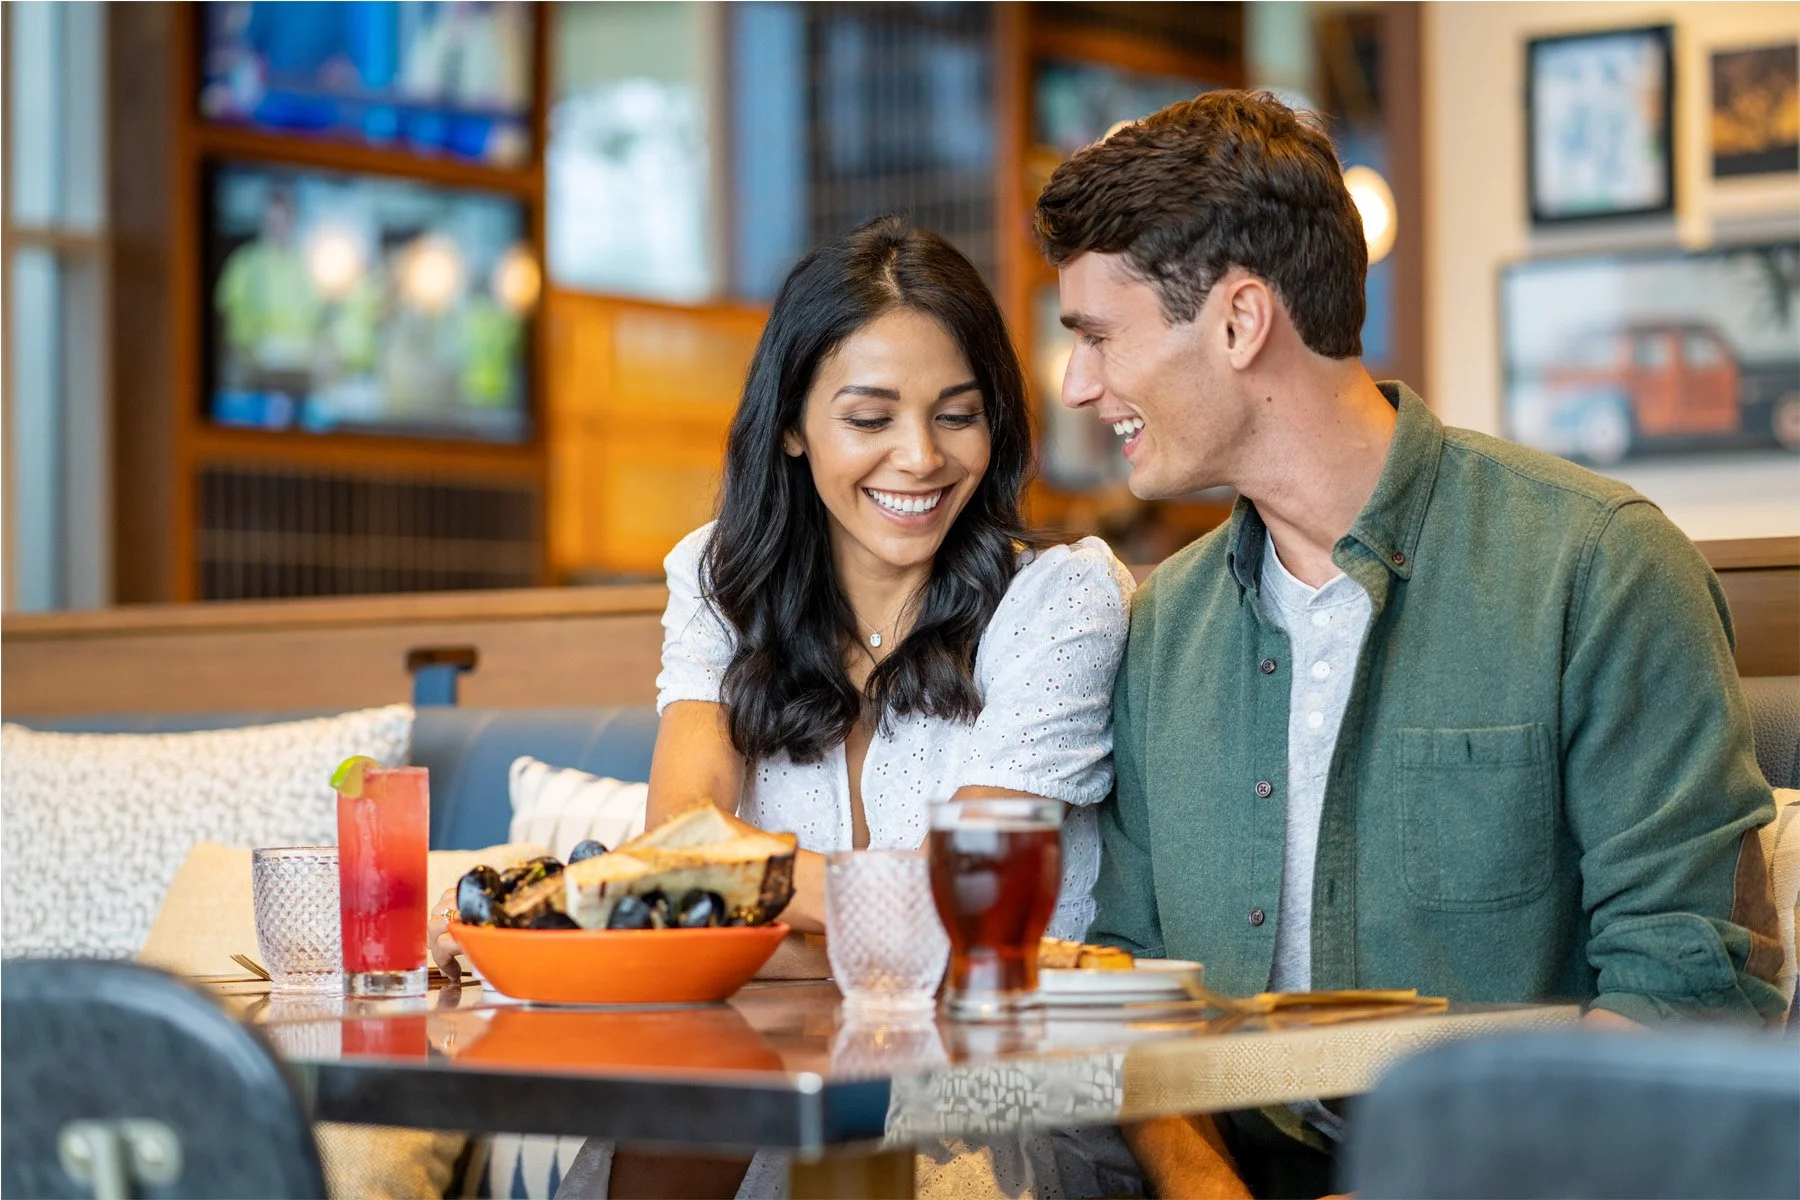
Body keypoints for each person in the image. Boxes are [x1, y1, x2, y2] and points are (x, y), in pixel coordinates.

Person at [1033, 90, 1786, 1199]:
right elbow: (1136, 989)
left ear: (1240, 322)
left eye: (1099, 336)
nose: (1079, 385)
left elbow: (1685, 984)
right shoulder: (1162, 628)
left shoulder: (1597, 568)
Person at [431, 216, 1137, 1198]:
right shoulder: (721, 581)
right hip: (762, 1080)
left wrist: (753, 892)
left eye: (957, 414)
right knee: (692, 1116)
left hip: (993, 1096)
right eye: (870, 416)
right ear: (796, 424)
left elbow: (960, 915)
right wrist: (828, 906)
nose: (920, 458)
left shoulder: (1058, 600)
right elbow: (683, 840)